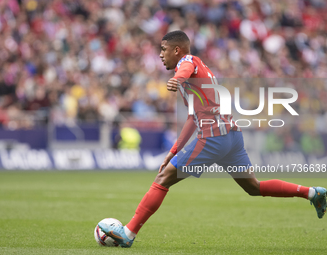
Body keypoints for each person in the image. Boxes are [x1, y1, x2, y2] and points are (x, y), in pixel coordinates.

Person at [99, 30, 327, 248]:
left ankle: (128, 233)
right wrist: (173, 151)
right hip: (232, 136)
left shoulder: (188, 62)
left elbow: (185, 67)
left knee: (162, 179)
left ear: (176, 50)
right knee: (253, 187)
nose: (160, 54)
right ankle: (311, 192)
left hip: (213, 137)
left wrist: (177, 79)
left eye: (163, 49)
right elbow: (192, 119)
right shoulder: (200, 72)